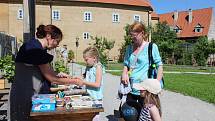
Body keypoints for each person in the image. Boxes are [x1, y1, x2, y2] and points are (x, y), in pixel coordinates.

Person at [9, 24, 80, 121]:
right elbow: (52, 78)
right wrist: (74, 81)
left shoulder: (34, 46)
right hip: (26, 96)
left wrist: (59, 74)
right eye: (57, 41)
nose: (57, 44)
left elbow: (43, 71)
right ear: (49, 37)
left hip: (27, 94)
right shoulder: (35, 50)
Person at [121, 22, 163, 106]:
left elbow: (160, 66)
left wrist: (156, 84)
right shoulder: (129, 48)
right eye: (131, 35)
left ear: (142, 33)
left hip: (146, 90)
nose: (132, 38)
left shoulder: (151, 47)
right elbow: (126, 64)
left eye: (134, 36)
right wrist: (124, 74)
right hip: (130, 88)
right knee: (129, 114)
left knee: (145, 115)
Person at [76, 46, 105, 121]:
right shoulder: (89, 67)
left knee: (95, 117)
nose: (85, 62)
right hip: (89, 96)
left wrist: (83, 82)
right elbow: (83, 76)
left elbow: (97, 84)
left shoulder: (98, 67)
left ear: (94, 58)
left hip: (96, 98)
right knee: (88, 116)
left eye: (86, 60)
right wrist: (72, 78)